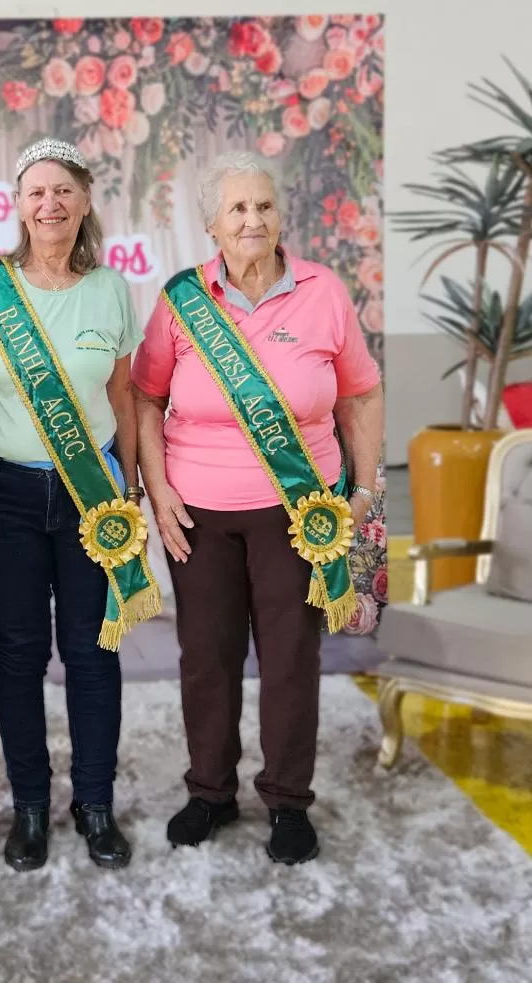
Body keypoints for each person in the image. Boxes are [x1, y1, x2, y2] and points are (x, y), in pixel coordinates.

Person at [132, 150, 384, 865]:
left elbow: (361, 393)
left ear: (280, 217)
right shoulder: (182, 298)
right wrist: (158, 489)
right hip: (200, 514)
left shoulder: (323, 290)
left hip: (299, 515)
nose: (254, 219)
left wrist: (361, 493)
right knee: (206, 659)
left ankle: (287, 801)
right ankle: (210, 791)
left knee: (291, 659)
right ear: (212, 224)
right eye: (238, 208)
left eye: (264, 206)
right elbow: (146, 398)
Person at [0, 138, 161, 872]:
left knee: (93, 651)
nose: (50, 204)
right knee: (18, 653)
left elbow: (125, 401)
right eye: (36, 192)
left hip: (90, 496)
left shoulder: (111, 289)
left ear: (85, 201)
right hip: (4, 494)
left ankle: (94, 806)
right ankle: (30, 807)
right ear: (18, 205)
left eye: (63, 190)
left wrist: (127, 495)